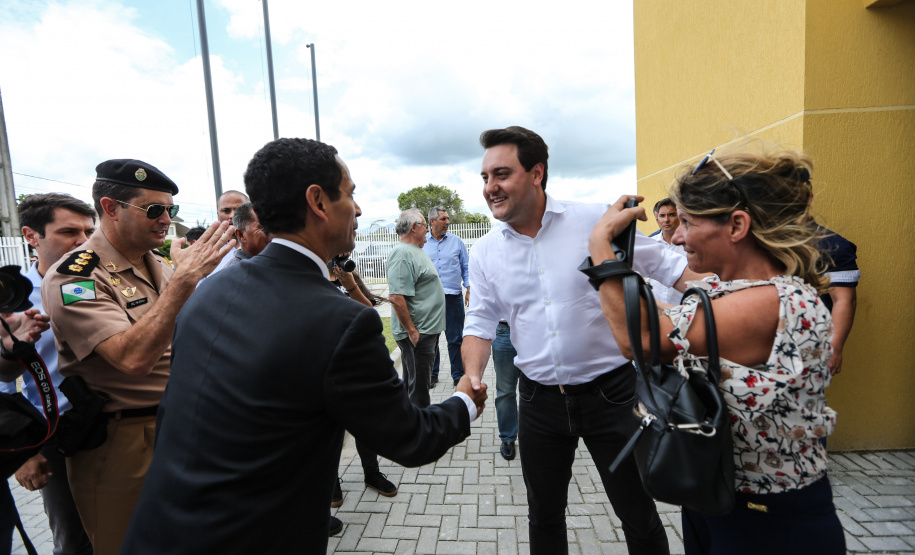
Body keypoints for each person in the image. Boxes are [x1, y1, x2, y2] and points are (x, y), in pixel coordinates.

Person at [121, 138, 487, 554]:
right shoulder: (342, 321)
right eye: (350, 194)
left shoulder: (208, 290)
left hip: (161, 533)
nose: (359, 210)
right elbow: (410, 438)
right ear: (318, 201)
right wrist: (464, 402)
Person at [587, 148, 844, 555]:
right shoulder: (728, 291)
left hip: (769, 521)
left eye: (688, 221)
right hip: (719, 499)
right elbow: (660, 313)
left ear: (737, 225)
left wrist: (603, 246)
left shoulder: (774, 302)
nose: (677, 235)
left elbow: (643, 339)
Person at [462, 126, 698, 554]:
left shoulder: (593, 222)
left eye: (500, 174)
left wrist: (735, 293)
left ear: (537, 173)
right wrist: (471, 375)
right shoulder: (484, 252)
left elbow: (669, 267)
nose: (490, 188)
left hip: (612, 396)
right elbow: (478, 322)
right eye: (484, 178)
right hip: (537, 403)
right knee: (544, 516)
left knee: (637, 512)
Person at [40, 159, 235, 555]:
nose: (166, 219)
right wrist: (183, 284)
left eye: (170, 210)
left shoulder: (161, 264)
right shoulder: (76, 277)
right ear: (110, 208)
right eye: (154, 209)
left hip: (182, 426)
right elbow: (132, 359)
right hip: (122, 442)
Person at [0, 193, 96, 555]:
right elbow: (3, 382)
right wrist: (23, 451)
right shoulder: (12, 296)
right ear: (30, 235)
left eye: (89, 230)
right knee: (72, 540)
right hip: (53, 433)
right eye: (69, 231)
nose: (83, 241)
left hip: (113, 423)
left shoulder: (99, 281)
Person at [387, 209, 446, 408]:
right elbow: (396, 297)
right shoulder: (403, 254)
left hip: (425, 331)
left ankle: (411, 430)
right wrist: (412, 332)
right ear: (414, 227)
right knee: (419, 389)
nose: (428, 230)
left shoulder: (414, 250)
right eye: (425, 225)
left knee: (416, 385)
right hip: (418, 334)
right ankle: (420, 436)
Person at [422, 207, 470, 388]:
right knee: (431, 338)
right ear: (433, 221)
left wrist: (469, 288)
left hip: (453, 298)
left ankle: (458, 376)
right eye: (444, 219)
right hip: (429, 299)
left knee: (455, 338)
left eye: (448, 218)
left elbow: (466, 266)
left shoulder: (457, 242)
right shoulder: (422, 242)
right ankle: (432, 375)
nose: (448, 222)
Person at [816, 226, 859, 376]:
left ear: (808, 200)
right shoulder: (753, 239)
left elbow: (844, 299)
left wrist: (834, 348)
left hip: (808, 347)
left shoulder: (831, 245)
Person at [646, 198, 688, 304]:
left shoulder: (691, 243)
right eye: (662, 215)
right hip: (655, 306)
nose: (666, 220)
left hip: (683, 305)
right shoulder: (649, 243)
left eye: (672, 215)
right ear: (657, 218)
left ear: (679, 216)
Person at [492, 320, 520, 461]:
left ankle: (540, 434)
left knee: (540, 387)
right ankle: (508, 437)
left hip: (534, 329)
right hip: (505, 331)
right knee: (505, 391)